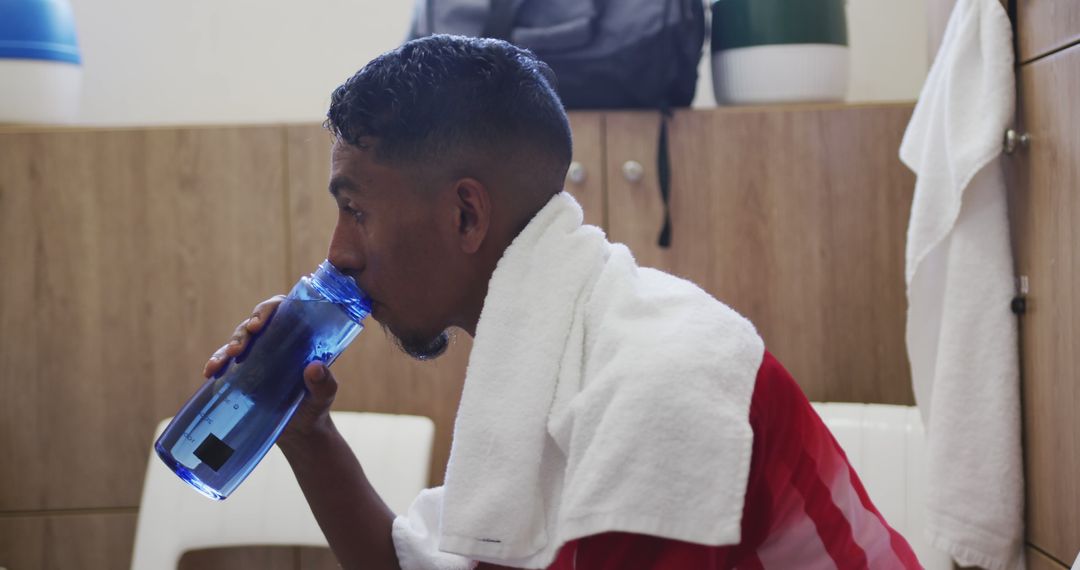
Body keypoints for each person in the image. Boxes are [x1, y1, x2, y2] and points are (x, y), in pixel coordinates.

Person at [204, 35, 921, 570]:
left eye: (355, 210)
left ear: (465, 217)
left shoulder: (655, 381)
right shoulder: (544, 367)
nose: (338, 254)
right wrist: (306, 434)